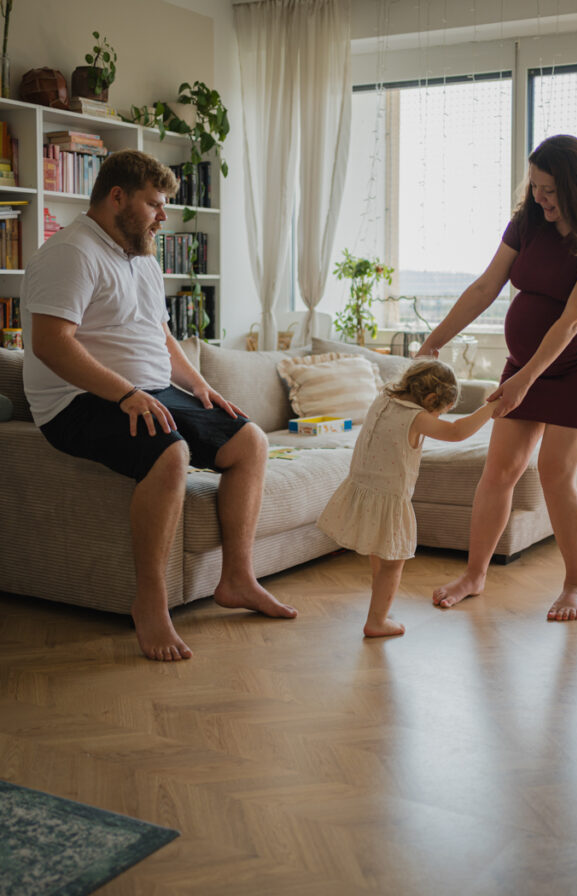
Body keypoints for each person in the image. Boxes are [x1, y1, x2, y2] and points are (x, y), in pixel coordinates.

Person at [20, 149, 296, 663]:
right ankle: (150, 603)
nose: (163, 215)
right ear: (117, 197)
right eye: (155, 204)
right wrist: (125, 393)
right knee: (170, 453)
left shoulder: (141, 255)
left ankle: (236, 578)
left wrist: (198, 385)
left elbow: (160, 335)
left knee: (250, 441)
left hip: (147, 389)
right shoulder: (71, 253)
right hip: (77, 401)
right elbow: (51, 343)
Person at [417, 134, 577, 622]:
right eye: (534, 187)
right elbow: (487, 286)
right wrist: (435, 339)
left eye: (549, 190)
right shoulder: (528, 221)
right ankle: (474, 575)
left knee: (555, 474)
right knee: (501, 469)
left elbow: (573, 320)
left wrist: (526, 379)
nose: (539, 198)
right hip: (529, 362)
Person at [317, 360, 500, 638]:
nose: (437, 418)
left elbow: (419, 372)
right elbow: (457, 432)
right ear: (429, 400)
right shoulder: (416, 417)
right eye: (440, 411)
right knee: (392, 564)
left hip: (364, 486)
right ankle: (377, 621)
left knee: (380, 556)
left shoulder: (384, 397)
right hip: (389, 498)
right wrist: (492, 408)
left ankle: (379, 608)